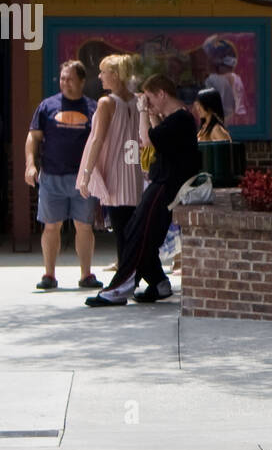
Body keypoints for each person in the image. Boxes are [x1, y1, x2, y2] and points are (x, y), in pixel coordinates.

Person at [84, 74, 200, 307]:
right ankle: (158, 283)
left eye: (149, 98)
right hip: (163, 183)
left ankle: (119, 289)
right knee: (143, 235)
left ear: (161, 94)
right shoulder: (178, 118)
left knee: (138, 235)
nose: (147, 103)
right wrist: (154, 115)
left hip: (165, 185)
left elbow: (146, 140)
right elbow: (159, 140)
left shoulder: (180, 119)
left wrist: (143, 112)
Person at [25, 60, 101, 290]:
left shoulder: (93, 108)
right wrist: (30, 164)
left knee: (84, 226)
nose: (64, 82)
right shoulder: (47, 106)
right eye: (62, 78)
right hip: (51, 176)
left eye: (69, 78)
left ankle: (86, 275)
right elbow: (33, 137)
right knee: (50, 226)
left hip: (83, 179)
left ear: (81, 81)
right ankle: (49, 275)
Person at [77, 55, 144, 263]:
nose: (99, 76)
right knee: (131, 229)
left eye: (103, 72)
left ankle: (125, 277)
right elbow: (135, 141)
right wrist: (133, 166)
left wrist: (87, 174)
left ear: (115, 75)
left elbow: (97, 139)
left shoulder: (106, 102)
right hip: (132, 172)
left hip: (115, 174)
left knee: (121, 230)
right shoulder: (137, 101)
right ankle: (132, 274)